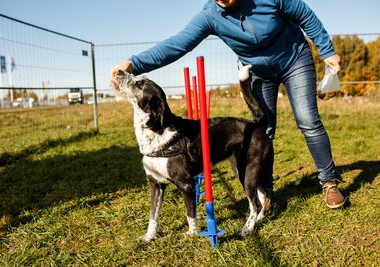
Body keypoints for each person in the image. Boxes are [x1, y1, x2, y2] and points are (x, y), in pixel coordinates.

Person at [110, 0, 344, 209]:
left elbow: (304, 14)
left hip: (294, 59)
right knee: (264, 129)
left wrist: (327, 50)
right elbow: (177, 44)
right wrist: (134, 63)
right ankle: (266, 191)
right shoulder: (210, 15)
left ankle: (329, 183)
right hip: (257, 72)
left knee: (308, 121)